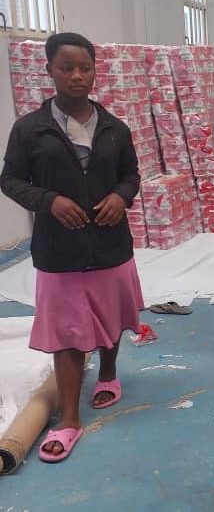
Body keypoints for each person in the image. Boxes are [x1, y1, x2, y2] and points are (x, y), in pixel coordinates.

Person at [0, 33, 143, 462]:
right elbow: (10, 180)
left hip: (109, 243)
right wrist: (49, 201)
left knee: (111, 315)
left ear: (96, 71)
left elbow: (131, 175)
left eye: (85, 67)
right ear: (50, 71)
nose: (77, 76)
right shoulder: (30, 129)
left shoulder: (115, 128)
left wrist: (121, 197)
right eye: (67, 68)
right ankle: (68, 419)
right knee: (67, 330)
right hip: (59, 249)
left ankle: (109, 373)